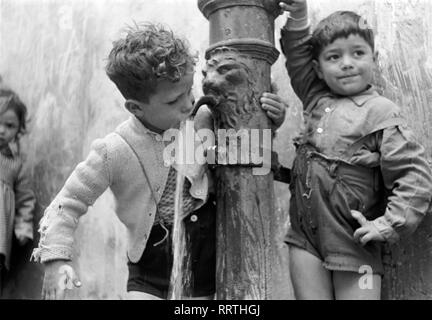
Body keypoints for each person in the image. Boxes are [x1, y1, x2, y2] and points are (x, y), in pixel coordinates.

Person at [31, 22, 287, 300]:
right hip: (151, 261)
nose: (189, 103)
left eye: (190, 91)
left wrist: (271, 119)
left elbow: (242, 144)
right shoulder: (113, 150)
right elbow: (65, 204)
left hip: (203, 253)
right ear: (136, 108)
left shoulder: (200, 121)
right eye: (175, 100)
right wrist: (56, 259)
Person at [278, 0, 432, 300]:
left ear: (373, 59)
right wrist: (297, 15)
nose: (347, 63)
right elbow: (297, 56)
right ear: (318, 69)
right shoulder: (314, 98)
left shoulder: (381, 113)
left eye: (358, 53)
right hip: (305, 239)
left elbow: (414, 175)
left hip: (355, 240)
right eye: (334, 57)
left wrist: (388, 225)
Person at [0, 87, 36, 296]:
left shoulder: (16, 165)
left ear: (19, 129)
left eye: (9, 125)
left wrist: (23, 227)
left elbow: (25, 198)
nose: (2, 130)